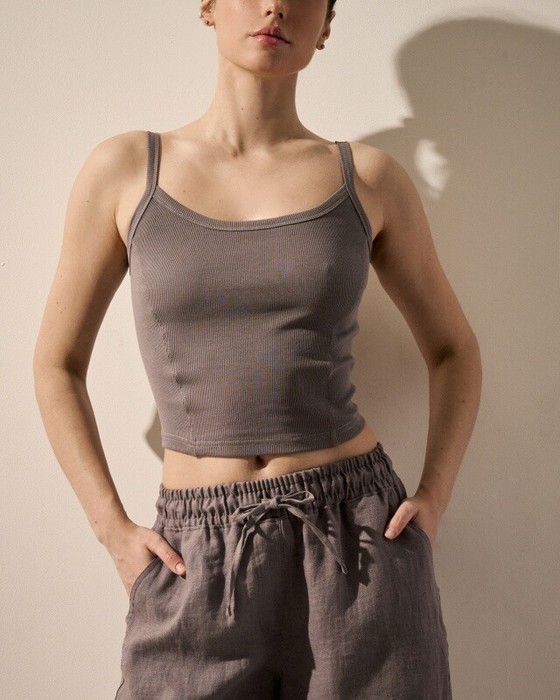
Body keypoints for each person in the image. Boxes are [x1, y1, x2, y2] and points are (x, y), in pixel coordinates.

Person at [33, 1, 482, 698]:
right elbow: (57, 364)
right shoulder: (126, 169)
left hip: (357, 540)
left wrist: (435, 498)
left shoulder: (368, 179)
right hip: (193, 553)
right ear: (208, 6)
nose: (275, 5)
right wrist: (111, 530)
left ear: (325, 26)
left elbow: (453, 349)